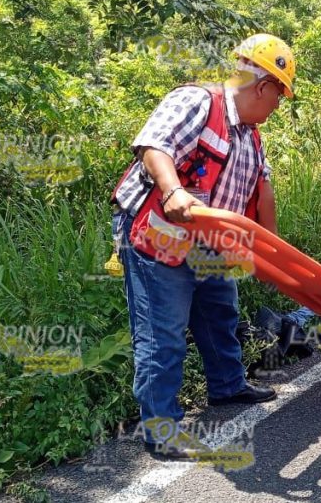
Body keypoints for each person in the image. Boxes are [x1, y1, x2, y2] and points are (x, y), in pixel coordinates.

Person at [110, 34, 294, 459]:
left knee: (219, 312)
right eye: (279, 96)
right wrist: (173, 190)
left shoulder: (251, 135)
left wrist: (274, 256)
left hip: (209, 241)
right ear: (263, 86)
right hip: (160, 234)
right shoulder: (197, 102)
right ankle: (162, 430)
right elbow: (154, 144)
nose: (277, 107)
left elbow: (262, 189)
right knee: (163, 334)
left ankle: (227, 386)